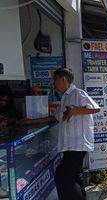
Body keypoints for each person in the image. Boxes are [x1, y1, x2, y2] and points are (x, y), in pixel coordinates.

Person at [20, 68, 100, 200]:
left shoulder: (77, 93)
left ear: (63, 79)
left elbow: (96, 108)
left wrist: (75, 111)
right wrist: (31, 121)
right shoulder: (64, 99)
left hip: (77, 145)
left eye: (55, 79)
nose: (53, 83)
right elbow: (54, 118)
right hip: (70, 147)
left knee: (62, 176)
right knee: (74, 176)